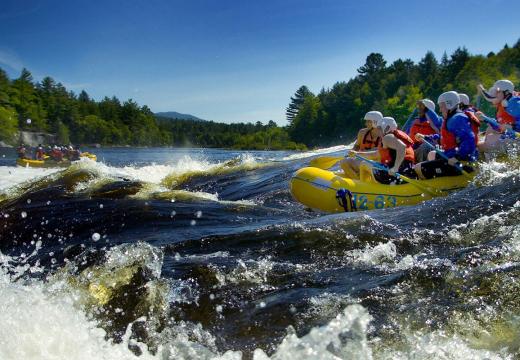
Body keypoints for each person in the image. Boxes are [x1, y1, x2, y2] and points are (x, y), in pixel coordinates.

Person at [414, 91, 478, 179]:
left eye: (441, 107)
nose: (440, 110)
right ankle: (440, 180)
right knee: (432, 154)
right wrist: (426, 137)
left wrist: (457, 157)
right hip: (451, 157)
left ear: (449, 104)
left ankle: (439, 186)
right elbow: (444, 138)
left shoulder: (457, 118)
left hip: (460, 162)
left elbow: (469, 140)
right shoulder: (452, 118)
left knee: (418, 168)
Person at [353, 116, 416, 184]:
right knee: (367, 163)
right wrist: (356, 153)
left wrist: (395, 168)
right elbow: (375, 154)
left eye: (379, 128)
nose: (377, 130)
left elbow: (402, 147)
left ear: (387, 128)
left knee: (364, 164)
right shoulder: (394, 136)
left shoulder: (387, 137)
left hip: (395, 174)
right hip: (406, 172)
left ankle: (364, 187)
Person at [476, 79, 520, 154]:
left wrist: (512, 127)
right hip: (512, 136)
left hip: (516, 138)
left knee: (485, 143)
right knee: (490, 129)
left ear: (506, 92)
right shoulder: (505, 103)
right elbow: (499, 126)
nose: (495, 94)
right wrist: (485, 119)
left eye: (498, 92)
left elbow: (507, 127)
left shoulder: (514, 103)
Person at [340, 111, 383, 179]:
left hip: (375, 163)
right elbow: (356, 146)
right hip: (361, 160)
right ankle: (357, 180)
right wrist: (352, 151)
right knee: (343, 162)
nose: (366, 123)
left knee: (372, 154)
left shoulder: (384, 136)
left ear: (375, 122)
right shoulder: (362, 132)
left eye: (368, 121)